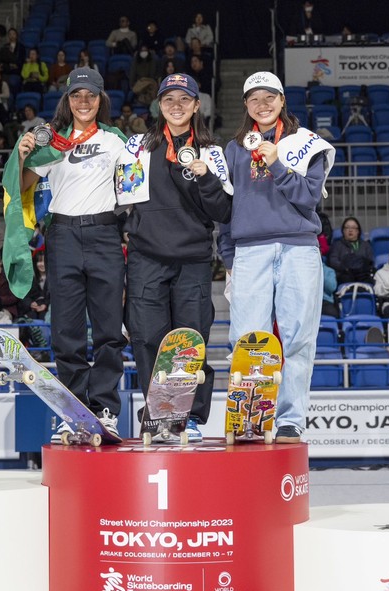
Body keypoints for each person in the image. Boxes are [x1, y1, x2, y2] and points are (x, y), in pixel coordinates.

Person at [217, 71, 334, 443]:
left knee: (299, 338)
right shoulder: (234, 148)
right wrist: (229, 256)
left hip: (299, 249)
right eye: (254, 99)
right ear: (246, 106)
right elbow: (226, 208)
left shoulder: (306, 144)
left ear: (283, 101)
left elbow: (308, 199)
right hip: (250, 250)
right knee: (247, 339)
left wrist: (277, 163)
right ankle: (251, 414)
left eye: (270, 97)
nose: (262, 105)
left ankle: (290, 419)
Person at [115, 72, 232, 441]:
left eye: (184, 100)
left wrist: (205, 177)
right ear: (159, 105)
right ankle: (158, 416)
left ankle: (190, 417)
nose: (176, 106)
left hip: (193, 259)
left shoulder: (212, 152)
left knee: (190, 339)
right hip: (146, 256)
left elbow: (223, 210)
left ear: (197, 105)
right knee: (148, 338)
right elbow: (122, 198)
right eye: (169, 100)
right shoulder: (137, 145)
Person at [15, 67, 128, 439]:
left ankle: (106, 407)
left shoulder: (116, 140)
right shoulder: (53, 141)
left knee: (110, 327)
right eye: (76, 95)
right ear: (67, 100)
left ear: (100, 100)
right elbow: (21, 186)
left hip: (104, 232)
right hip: (61, 233)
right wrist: (22, 154)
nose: (83, 102)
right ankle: (75, 409)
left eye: (90, 96)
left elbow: (134, 186)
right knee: (66, 329)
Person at [327, 216, 374, 284]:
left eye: (353, 228)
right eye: (347, 227)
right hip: (344, 274)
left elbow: (371, 261)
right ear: (343, 230)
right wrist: (345, 267)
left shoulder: (365, 245)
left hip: (362, 275)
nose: (350, 230)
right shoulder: (337, 245)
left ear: (358, 231)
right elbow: (333, 261)